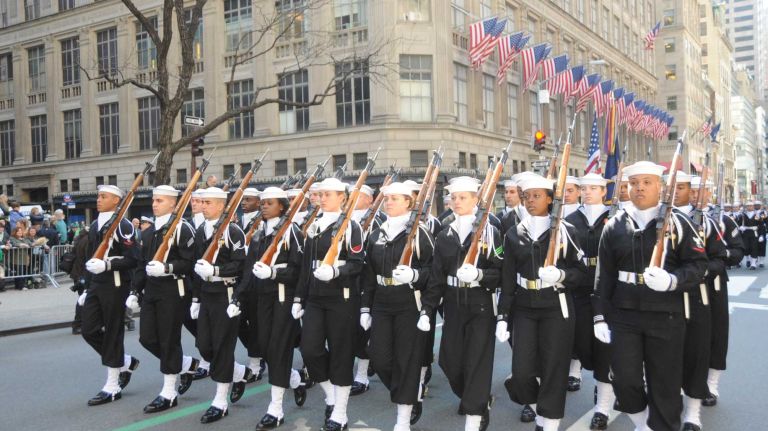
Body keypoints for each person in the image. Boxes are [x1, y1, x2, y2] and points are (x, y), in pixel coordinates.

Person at [593, 161, 708, 431]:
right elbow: (604, 275)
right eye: (634, 183)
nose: (639, 188)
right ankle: (644, 423)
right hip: (624, 314)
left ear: (660, 186)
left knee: (665, 383)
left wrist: (673, 280)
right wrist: (599, 316)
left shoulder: (679, 223)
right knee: (623, 378)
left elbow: (699, 266)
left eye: (647, 182)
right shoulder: (615, 225)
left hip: (665, 313)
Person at [500, 174, 586, 431]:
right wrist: (503, 316)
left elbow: (582, 274)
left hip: (555, 306)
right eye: (526, 196)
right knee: (522, 371)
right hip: (525, 307)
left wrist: (562, 275)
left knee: (554, 368)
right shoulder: (514, 234)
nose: (530, 201)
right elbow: (507, 280)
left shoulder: (567, 231)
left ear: (550, 199)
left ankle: (548, 423)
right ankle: (538, 407)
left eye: (537, 196)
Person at [419, 176, 502, 431]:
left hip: (480, 304)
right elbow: (436, 277)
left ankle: (475, 416)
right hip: (453, 305)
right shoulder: (445, 234)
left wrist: (480, 276)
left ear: (476, 200)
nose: (456, 202)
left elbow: (501, 272)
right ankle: (475, 398)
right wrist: (427, 309)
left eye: (462, 197)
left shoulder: (490, 231)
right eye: (453, 198)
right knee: (449, 361)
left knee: (477, 361)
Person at [293, 177, 365, 431]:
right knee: (310, 349)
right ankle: (330, 395)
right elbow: (305, 267)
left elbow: (357, 264)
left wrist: (336, 272)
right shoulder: (313, 225)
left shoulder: (351, 226)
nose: (322, 198)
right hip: (315, 297)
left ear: (342, 198)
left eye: (328, 194)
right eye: (320, 194)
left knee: (341, 354)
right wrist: (298, 298)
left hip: (340, 298)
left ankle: (341, 412)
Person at [361, 182, 434, 431]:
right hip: (382, 300)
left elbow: (433, 271)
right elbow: (368, 275)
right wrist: (364, 308)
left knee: (406, 360)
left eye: (394, 198)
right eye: (386, 198)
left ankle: (403, 419)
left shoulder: (419, 232)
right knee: (380, 358)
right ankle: (408, 391)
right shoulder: (376, 233)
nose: (388, 202)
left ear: (408, 202)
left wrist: (414, 276)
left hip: (408, 301)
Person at [238, 187, 308, 430]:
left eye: (270, 203)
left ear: (282, 206)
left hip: (283, 298)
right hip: (262, 299)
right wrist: (238, 299)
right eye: (263, 203)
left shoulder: (292, 233)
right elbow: (249, 272)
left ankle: (275, 409)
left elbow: (299, 270)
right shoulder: (259, 235)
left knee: (278, 349)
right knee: (266, 348)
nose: (264, 206)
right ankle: (295, 379)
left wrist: (276, 274)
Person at [129, 185, 200, 413]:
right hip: (151, 291)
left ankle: (169, 392)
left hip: (174, 290)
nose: (154, 204)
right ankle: (186, 364)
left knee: (169, 340)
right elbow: (141, 265)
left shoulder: (182, 228)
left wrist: (168, 267)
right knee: (147, 339)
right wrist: (133, 291)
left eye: (159, 200)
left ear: (173, 203)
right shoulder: (148, 232)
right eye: (154, 200)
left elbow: (191, 263)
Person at [191, 187, 249, 423]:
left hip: (225, 292)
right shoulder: (201, 230)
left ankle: (220, 401)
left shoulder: (233, 232)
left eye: (208, 202)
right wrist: (195, 298)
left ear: (221, 206)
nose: (203, 206)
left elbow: (241, 265)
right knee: (204, 345)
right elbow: (196, 267)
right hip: (206, 293)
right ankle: (239, 373)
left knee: (223, 346)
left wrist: (216, 270)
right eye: (201, 202)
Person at [79, 184, 140, 406]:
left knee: (114, 333)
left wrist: (107, 265)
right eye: (98, 196)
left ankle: (112, 385)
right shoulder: (96, 224)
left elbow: (133, 258)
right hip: (96, 284)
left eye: (103, 196)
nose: (98, 199)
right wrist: (85, 286)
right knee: (88, 330)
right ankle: (124, 361)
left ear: (116, 201)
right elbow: (90, 256)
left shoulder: (123, 226)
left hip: (115, 284)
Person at [564, 173, 613, 428]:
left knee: (604, 349)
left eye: (594, 188)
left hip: (607, 292)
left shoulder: (615, 218)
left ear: (604, 191)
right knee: (583, 346)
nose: (588, 192)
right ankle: (599, 378)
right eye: (584, 188)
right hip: (580, 290)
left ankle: (602, 406)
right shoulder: (571, 220)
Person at [237, 187, 266, 382]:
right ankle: (257, 351)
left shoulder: (264, 222)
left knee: (256, 323)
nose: (243, 203)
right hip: (240, 276)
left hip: (256, 278)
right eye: (243, 200)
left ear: (258, 202)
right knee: (239, 323)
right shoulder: (237, 221)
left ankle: (255, 363)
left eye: (248, 200)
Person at [69, 228, 90, 334]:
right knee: (83, 299)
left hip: (79, 273)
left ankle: (80, 323)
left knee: (83, 299)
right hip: (83, 274)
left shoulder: (80, 240)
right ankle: (78, 324)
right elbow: (88, 259)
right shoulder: (87, 241)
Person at [8, 225, 32, 290]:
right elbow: (14, 244)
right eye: (18, 232)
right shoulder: (12, 238)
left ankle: (19, 286)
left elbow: (30, 244)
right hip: (16, 259)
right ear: (15, 232)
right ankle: (21, 286)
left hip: (24, 259)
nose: (20, 233)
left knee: (23, 272)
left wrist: (26, 243)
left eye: (21, 232)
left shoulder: (24, 238)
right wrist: (22, 244)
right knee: (19, 273)